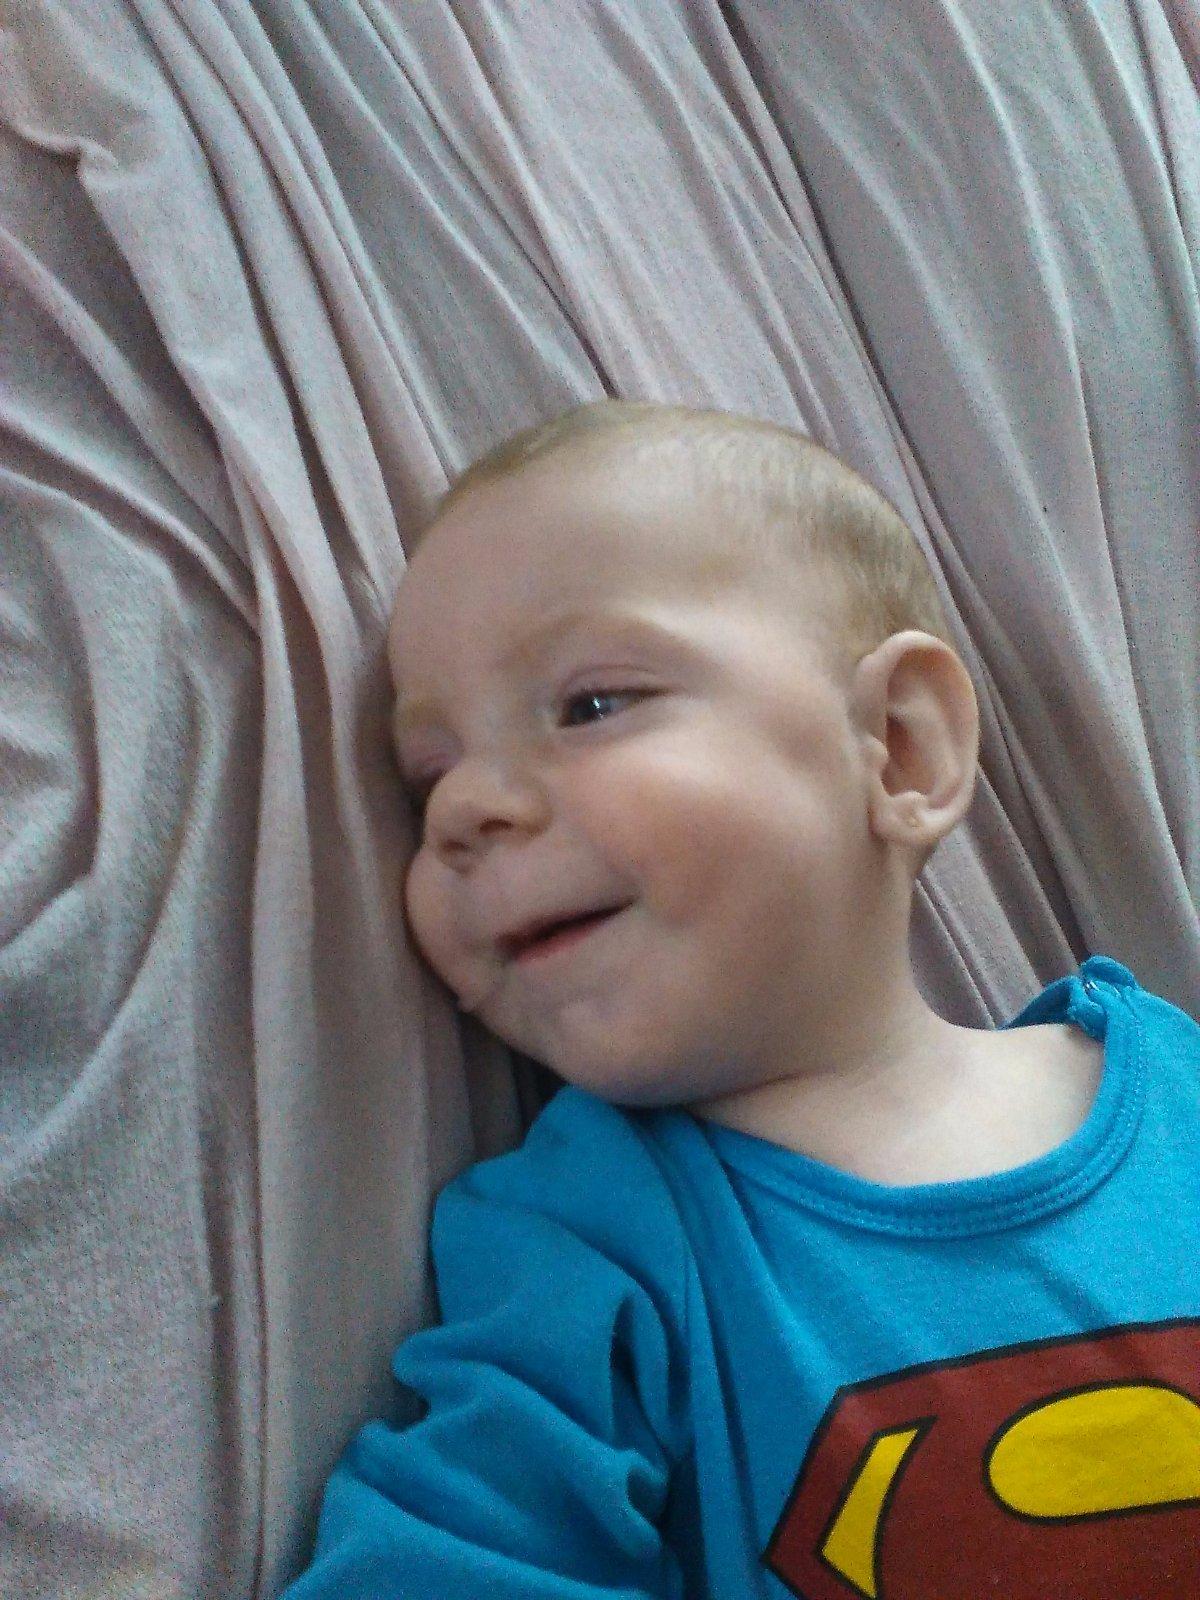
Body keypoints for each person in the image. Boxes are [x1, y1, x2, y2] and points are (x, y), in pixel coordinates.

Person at [282, 400, 1200, 1598]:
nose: (464, 810)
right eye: (427, 775)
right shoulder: (586, 1238)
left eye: (590, 705)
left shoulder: (1175, 1087)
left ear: (899, 746)